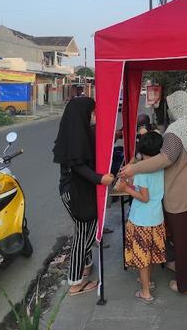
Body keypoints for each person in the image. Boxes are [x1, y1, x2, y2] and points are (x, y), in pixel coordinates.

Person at [119, 90, 187, 295]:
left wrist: (134, 168)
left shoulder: (177, 130)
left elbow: (166, 159)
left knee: (185, 238)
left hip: (183, 192)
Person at [53, 97, 114, 296]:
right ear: (83, 114)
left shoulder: (75, 130)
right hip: (76, 191)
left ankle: (86, 266)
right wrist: (100, 179)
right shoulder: (77, 135)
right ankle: (76, 282)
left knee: (85, 229)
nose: (94, 116)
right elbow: (78, 166)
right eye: (92, 112)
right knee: (83, 235)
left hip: (76, 190)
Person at [116, 131, 165, 304]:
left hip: (142, 220)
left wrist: (126, 189)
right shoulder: (160, 166)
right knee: (150, 254)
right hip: (156, 218)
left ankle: (145, 292)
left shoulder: (143, 171)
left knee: (142, 258)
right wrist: (131, 183)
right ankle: (148, 282)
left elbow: (144, 197)